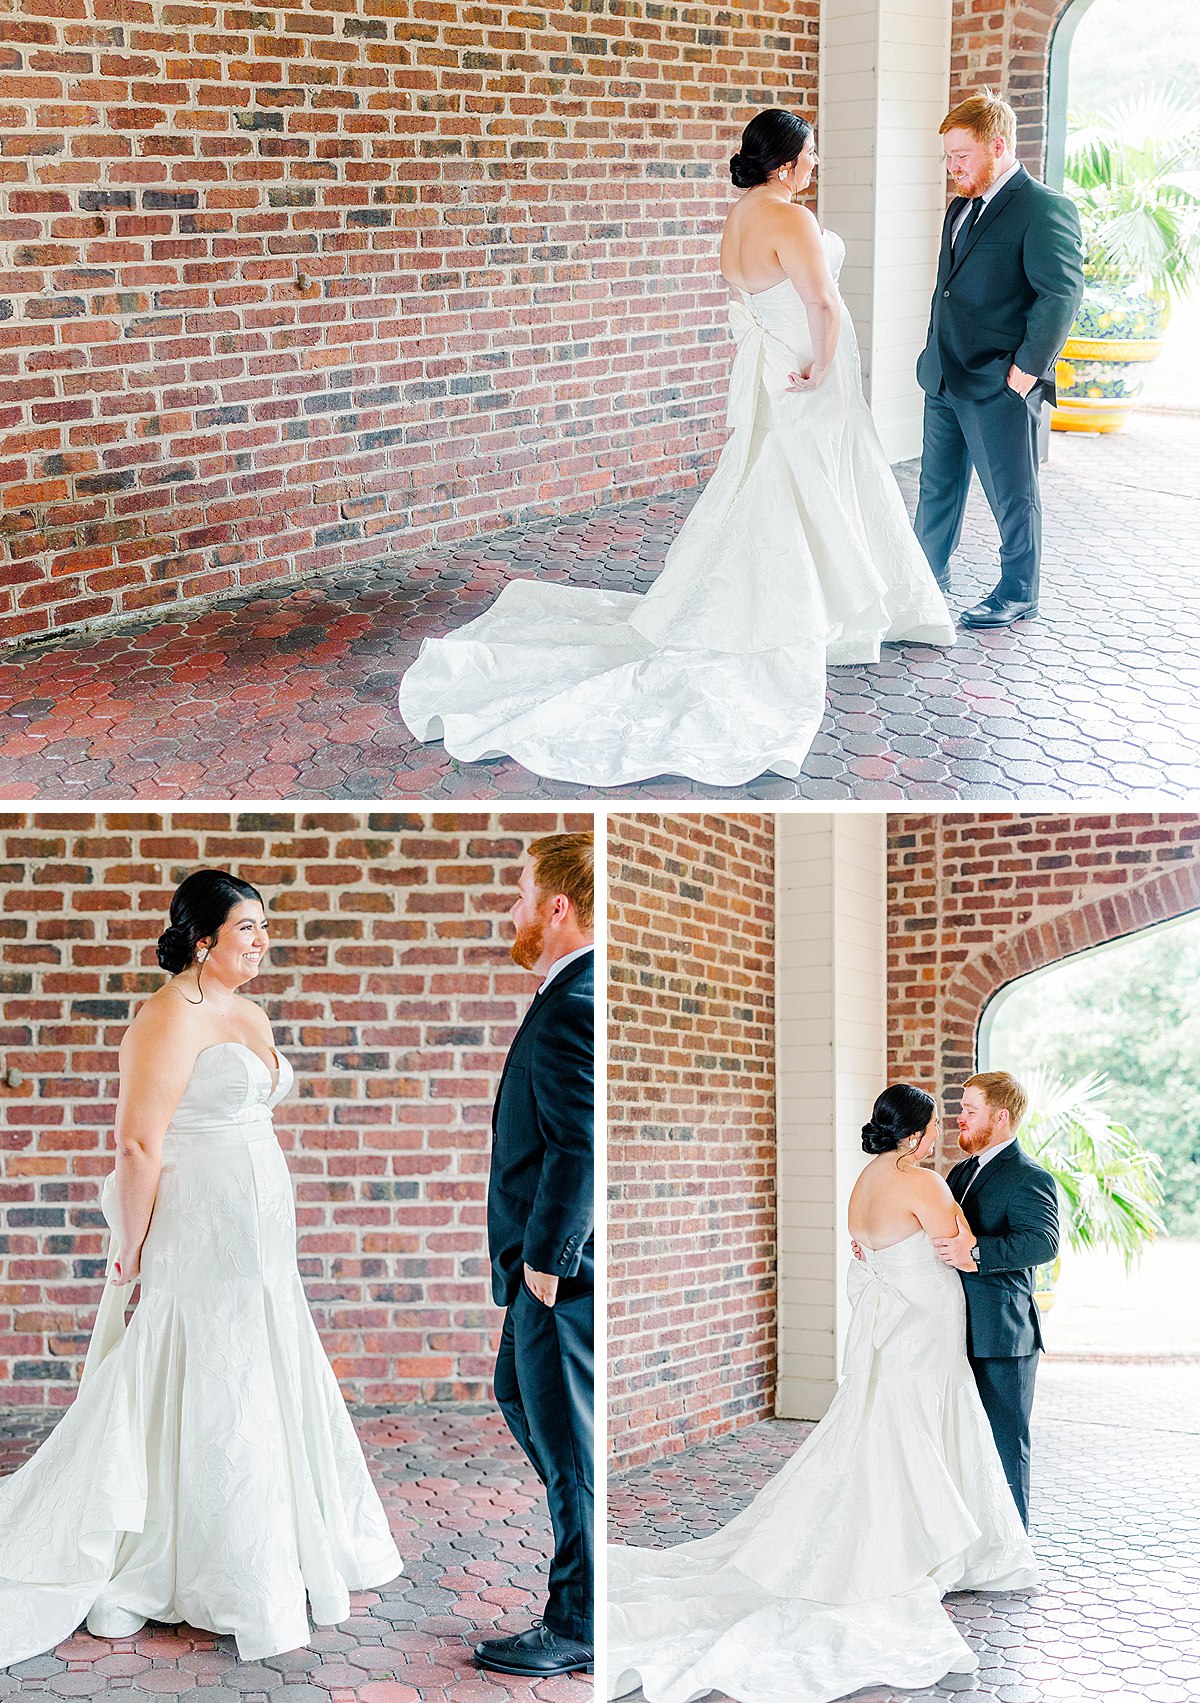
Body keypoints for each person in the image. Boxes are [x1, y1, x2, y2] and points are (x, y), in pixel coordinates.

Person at [399, 109, 954, 789]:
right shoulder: (791, 218)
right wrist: (825, 368)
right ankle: (828, 610)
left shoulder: (742, 216)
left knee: (776, 481)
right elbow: (825, 306)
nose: (817, 163)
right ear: (784, 162)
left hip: (768, 367)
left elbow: (755, 299)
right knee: (815, 483)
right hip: (806, 370)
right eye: (811, 153)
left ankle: (820, 602)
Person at [0, 871, 401, 1668]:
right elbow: (140, 1144)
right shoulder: (162, 1019)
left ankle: (281, 1537)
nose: (262, 942)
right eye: (248, 928)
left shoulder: (246, 1009)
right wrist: (133, 1243)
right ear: (203, 936)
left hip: (262, 1243)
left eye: (264, 928)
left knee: (264, 1355)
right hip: (201, 1231)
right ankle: (187, 1554)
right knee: (211, 1364)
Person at [608, 1085, 1036, 1703]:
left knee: (885, 1425)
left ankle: (928, 1532)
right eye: (937, 1124)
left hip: (893, 1323)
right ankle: (919, 1543)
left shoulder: (866, 1177)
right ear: (914, 1135)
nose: (942, 1133)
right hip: (921, 1328)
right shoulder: (924, 1183)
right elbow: (955, 1242)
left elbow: (872, 1248)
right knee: (916, 1427)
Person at [473, 834, 595, 1678]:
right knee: (518, 1396)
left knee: (570, 1442)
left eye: (520, 894)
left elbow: (580, 1140)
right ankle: (586, 1559)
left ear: (557, 906)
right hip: (538, 1266)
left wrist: (549, 1255)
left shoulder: (578, 999)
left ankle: (580, 1621)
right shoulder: (569, 991)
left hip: (556, 1272)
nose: (512, 910)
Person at [915, 89, 1085, 628]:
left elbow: (1060, 294)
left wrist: (1025, 371)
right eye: (947, 156)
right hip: (944, 374)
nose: (952, 168)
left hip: (1000, 380)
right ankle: (923, 575)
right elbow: (947, 290)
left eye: (960, 156)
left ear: (998, 146)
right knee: (936, 487)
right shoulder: (959, 207)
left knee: (1013, 495)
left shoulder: (1045, 208)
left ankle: (1018, 591)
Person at [932, 1071, 1060, 1528]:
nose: (959, 1118)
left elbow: (1043, 1242)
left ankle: (1013, 1546)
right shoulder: (961, 1171)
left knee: (1005, 1441)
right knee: (962, 1442)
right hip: (953, 1325)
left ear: (1000, 1116)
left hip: (1004, 1334)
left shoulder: (1030, 1177)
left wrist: (978, 1253)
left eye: (969, 1110)